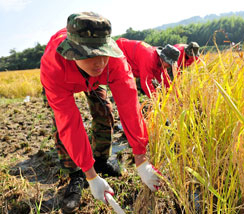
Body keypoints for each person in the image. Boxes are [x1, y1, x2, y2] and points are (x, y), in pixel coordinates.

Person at [40, 12, 161, 213]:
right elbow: (69, 122)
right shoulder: (53, 67)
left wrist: (141, 157)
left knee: (104, 110)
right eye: (90, 54)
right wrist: (90, 175)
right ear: (73, 52)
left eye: (103, 52)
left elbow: (130, 106)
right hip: (65, 80)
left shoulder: (114, 60)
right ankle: (76, 175)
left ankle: (102, 160)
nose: (99, 62)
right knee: (62, 127)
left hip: (94, 81)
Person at [116, 38, 180, 98]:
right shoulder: (149, 59)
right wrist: (157, 101)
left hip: (131, 60)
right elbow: (146, 84)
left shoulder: (160, 61)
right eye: (169, 63)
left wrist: (177, 97)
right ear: (163, 58)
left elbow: (166, 81)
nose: (169, 66)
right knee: (127, 90)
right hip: (119, 52)